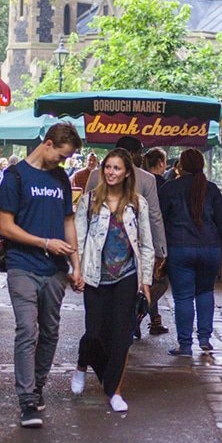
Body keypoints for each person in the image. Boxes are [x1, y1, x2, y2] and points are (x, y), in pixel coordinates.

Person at [0, 123, 83, 428]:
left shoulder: (61, 178)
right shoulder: (15, 176)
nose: (64, 162)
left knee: (49, 332)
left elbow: (68, 222)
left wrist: (76, 264)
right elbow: (5, 227)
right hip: (22, 265)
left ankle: (37, 385)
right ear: (47, 144)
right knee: (26, 330)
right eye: (61, 155)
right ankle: (27, 400)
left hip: (55, 271)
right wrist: (44, 242)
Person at [71, 148, 154, 412]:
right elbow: (79, 239)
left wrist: (146, 282)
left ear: (127, 172)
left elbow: (146, 245)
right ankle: (83, 362)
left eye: (117, 168)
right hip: (95, 276)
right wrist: (77, 271)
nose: (111, 172)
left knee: (121, 336)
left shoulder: (138, 203)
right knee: (94, 333)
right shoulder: (90, 200)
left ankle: (114, 390)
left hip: (127, 277)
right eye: (108, 167)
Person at [87, 136, 169, 337]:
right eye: (139, 152)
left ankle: (108, 328)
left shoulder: (95, 176)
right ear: (131, 154)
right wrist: (161, 250)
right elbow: (154, 216)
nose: (141, 156)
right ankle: (126, 323)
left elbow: (87, 213)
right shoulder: (146, 179)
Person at [158, 148, 222, 356]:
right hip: (210, 248)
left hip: (179, 248)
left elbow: (160, 221)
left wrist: (158, 250)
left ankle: (185, 345)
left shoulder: (169, 189)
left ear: (180, 166)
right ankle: (205, 338)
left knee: (183, 297)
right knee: (206, 292)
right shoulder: (211, 189)